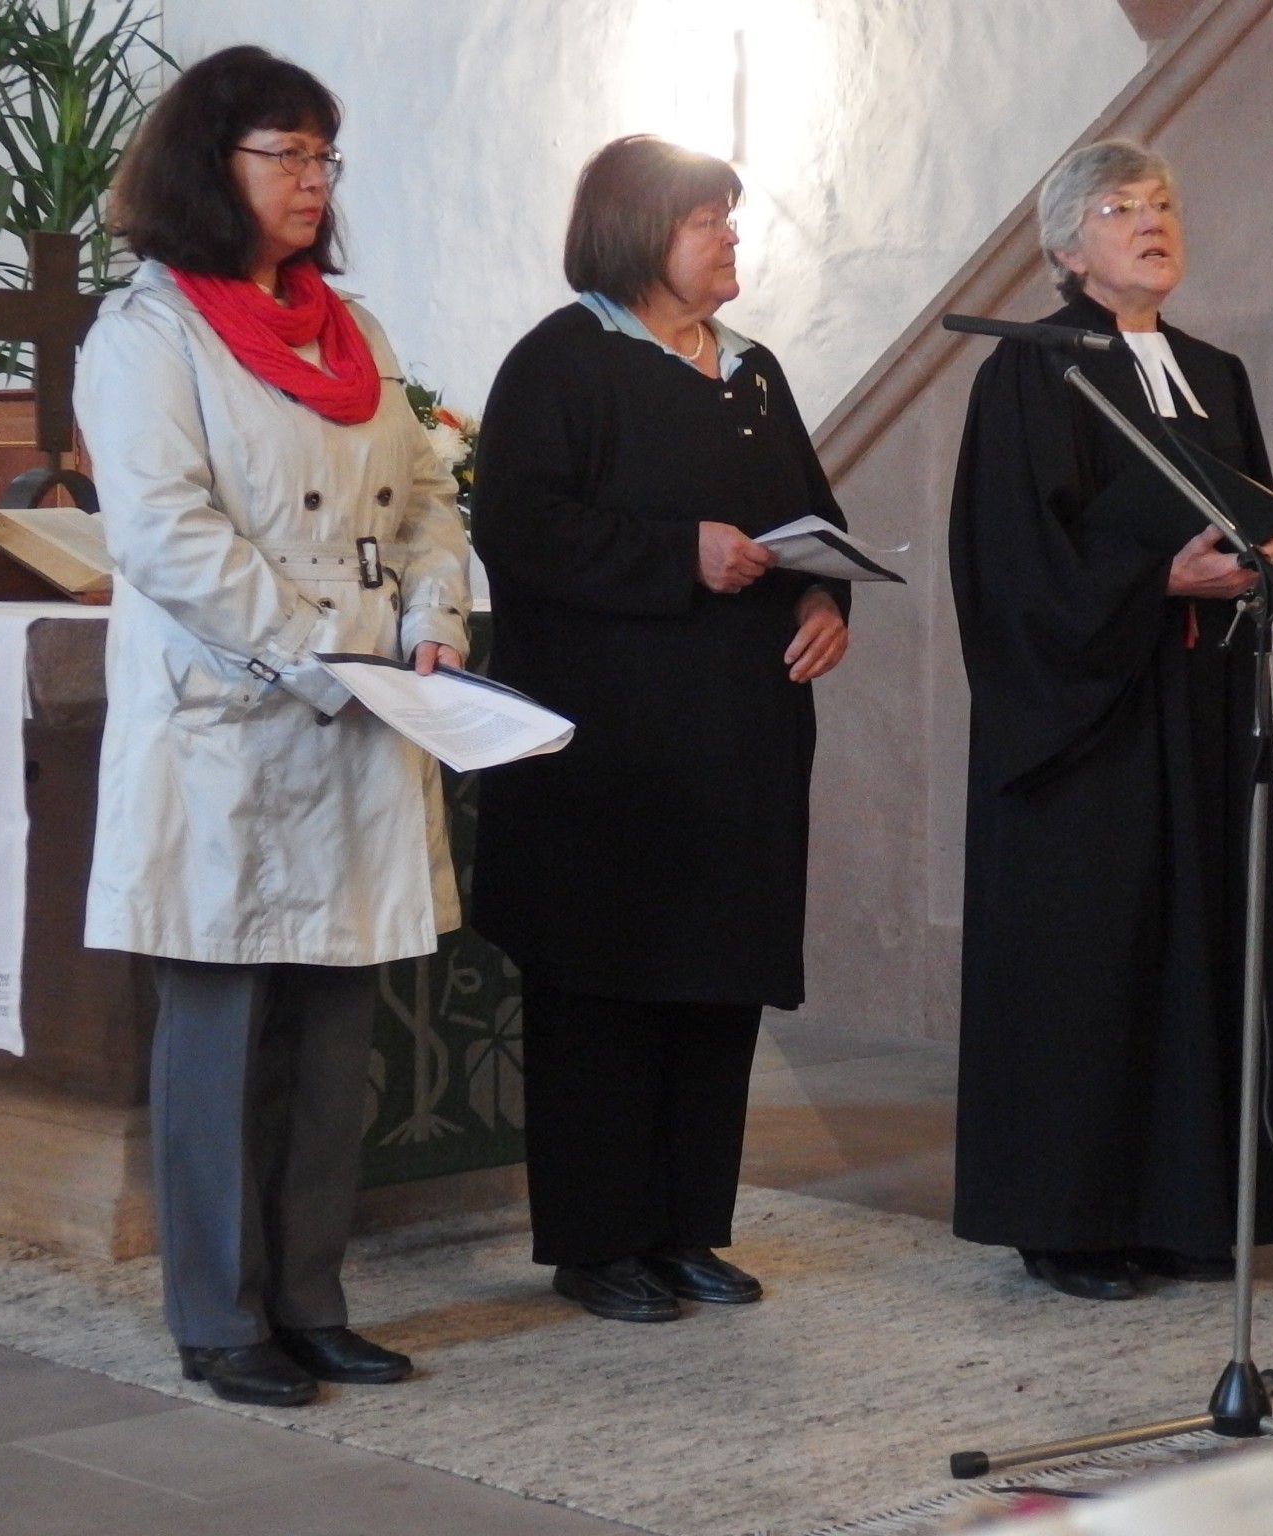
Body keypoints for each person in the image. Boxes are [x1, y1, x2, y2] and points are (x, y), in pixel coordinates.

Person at [75, 46, 471, 1404]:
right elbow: (165, 535)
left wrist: (432, 619)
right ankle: (220, 1314)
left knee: (334, 1032)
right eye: (285, 153)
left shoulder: (351, 333)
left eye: (322, 155)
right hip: (233, 719)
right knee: (225, 1032)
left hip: (362, 711)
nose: (313, 179)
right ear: (212, 163)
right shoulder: (148, 334)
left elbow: (427, 498)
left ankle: (311, 1300)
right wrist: (319, 652)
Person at [470, 135, 850, 1324]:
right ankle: (596, 1243)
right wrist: (674, 552)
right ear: (638, 232)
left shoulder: (751, 371)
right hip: (611, 748)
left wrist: (823, 600)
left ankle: (687, 1230)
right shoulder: (561, 361)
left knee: (713, 983)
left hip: (739, 740)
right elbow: (516, 529)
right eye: (705, 220)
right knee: (606, 993)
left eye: (729, 217)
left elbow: (811, 516)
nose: (731, 237)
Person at [948, 139, 1273, 1301]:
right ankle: (1067, 1218)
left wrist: (1266, 561)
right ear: (1064, 248)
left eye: (1161, 203)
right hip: (1083, 726)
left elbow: (1247, 517)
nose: (1150, 221)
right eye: (1117, 207)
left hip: (1194, 710)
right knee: (1088, 959)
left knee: (1189, 946)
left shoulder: (1213, 372)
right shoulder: (1029, 370)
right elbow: (1011, 560)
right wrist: (1153, 581)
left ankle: (1180, 1206)